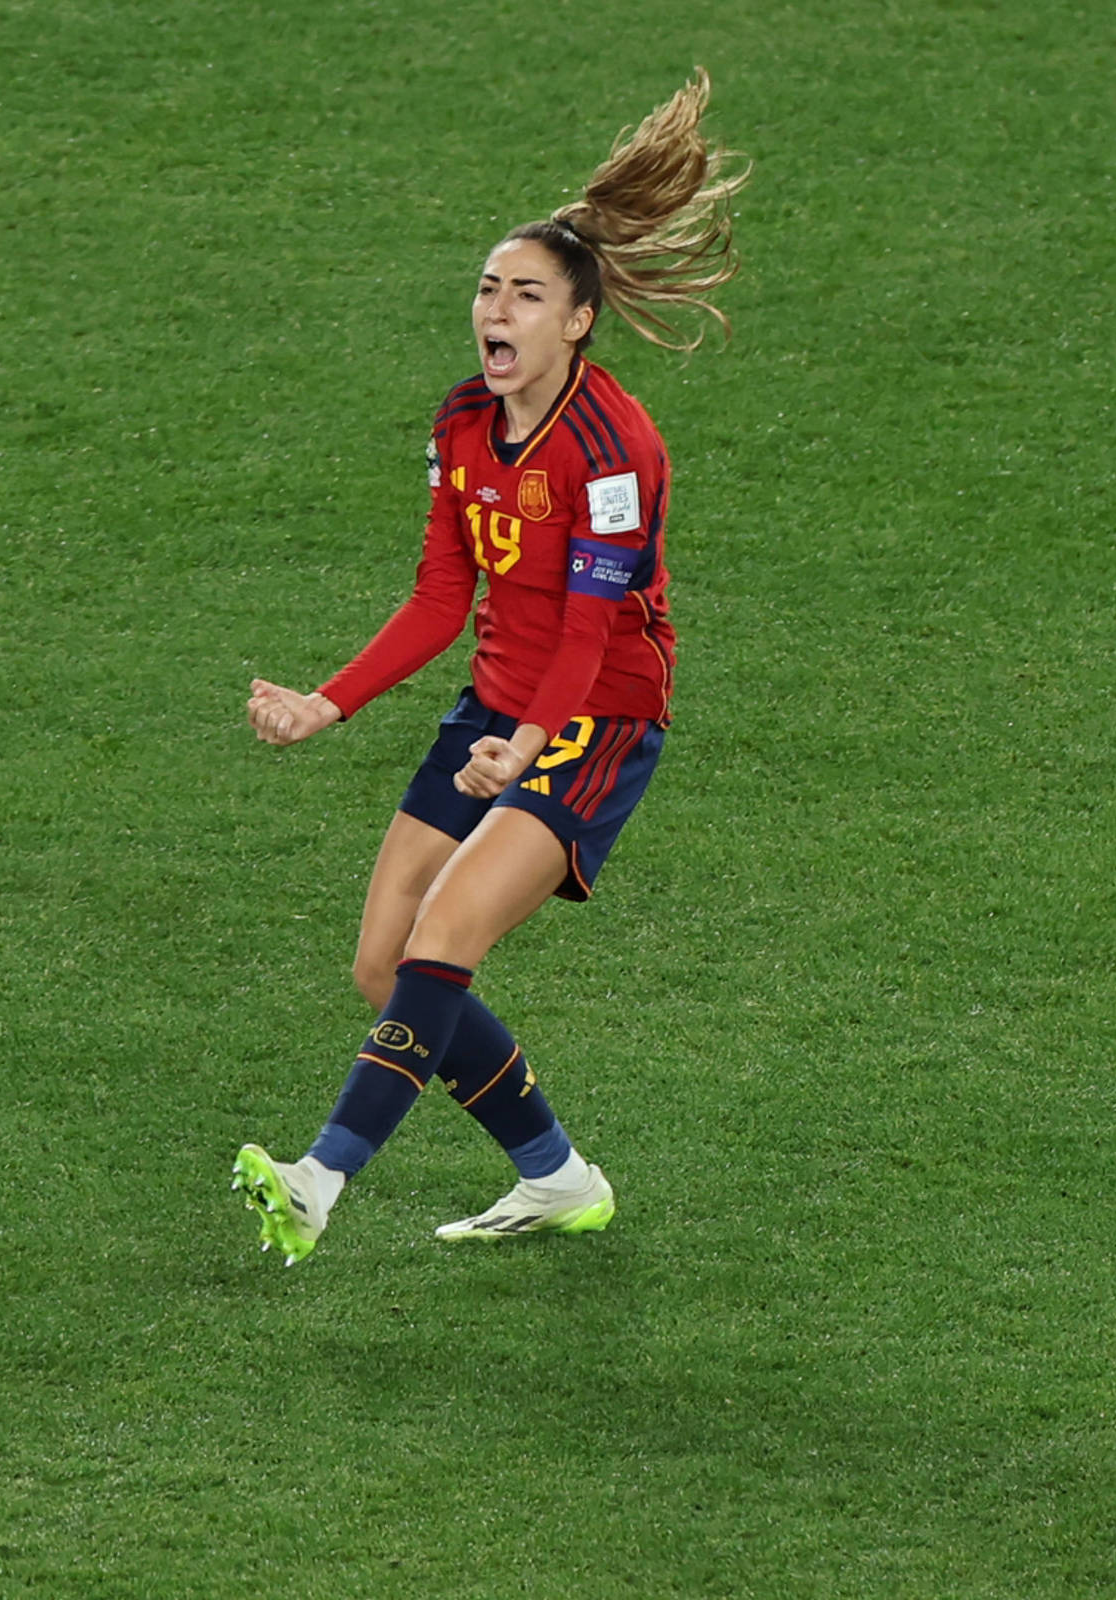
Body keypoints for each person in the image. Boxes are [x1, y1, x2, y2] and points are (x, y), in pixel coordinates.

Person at [233, 71, 749, 1264]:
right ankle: (558, 1177)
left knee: (441, 939)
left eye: (524, 292)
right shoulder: (465, 419)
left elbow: (589, 635)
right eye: (486, 287)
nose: (495, 309)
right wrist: (330, 700)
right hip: (496, 708)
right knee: (385, 962)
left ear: (577, 320)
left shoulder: (618, 450)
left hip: (598, 717)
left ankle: (320, 1177)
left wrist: (528, 745)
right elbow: (439, 596)